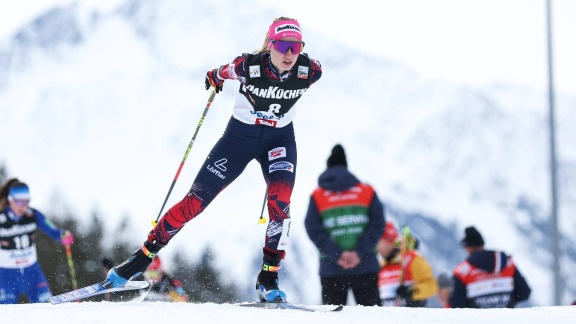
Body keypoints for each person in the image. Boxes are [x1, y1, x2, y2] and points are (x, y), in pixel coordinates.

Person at [104, 17, 322, 303]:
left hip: (278, 142)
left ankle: (268, 278)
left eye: (296, 47)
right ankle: (141, 258)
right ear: (270, 46)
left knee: (280, 206)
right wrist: (214, 77)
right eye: (283, 46)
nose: (290, 54)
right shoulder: (250, 66)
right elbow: (223, 71)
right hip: (238, 141)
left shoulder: (310, 70)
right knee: (195, 202)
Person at [304, 144, 385, 306]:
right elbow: (378, 224)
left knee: (333, 318)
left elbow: (312, 227)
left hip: (331, 267)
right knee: (374, 319)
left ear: (328, 167)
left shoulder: (318, 195)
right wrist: (358, 253)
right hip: (365, 265)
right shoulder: (366, 191)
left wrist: (337, 254)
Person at [0, 178, 74, 304]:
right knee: (5, 314)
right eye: (19, 202)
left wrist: (62, 235)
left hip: (32, 273)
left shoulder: (32, 215)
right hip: (6, 275)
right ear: (11, 200)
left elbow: (53, 230)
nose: (23, 206)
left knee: (46, 307)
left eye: (26, 201)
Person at [449, 226, 531, 308]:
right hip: (507, 318)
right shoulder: (507, 263)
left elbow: (457, 304)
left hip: (478, 320)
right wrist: (507, 302)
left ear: (468, 247)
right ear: (482, 244)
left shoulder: (462, 272)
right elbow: (524, 292)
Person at [376, 221, 438, 307]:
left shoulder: (412, 259)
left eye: (378, 241)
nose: (376, 246)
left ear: (388, 241)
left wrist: (411, 291)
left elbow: (431, 286)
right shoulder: (381, 265)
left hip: (410, 317)